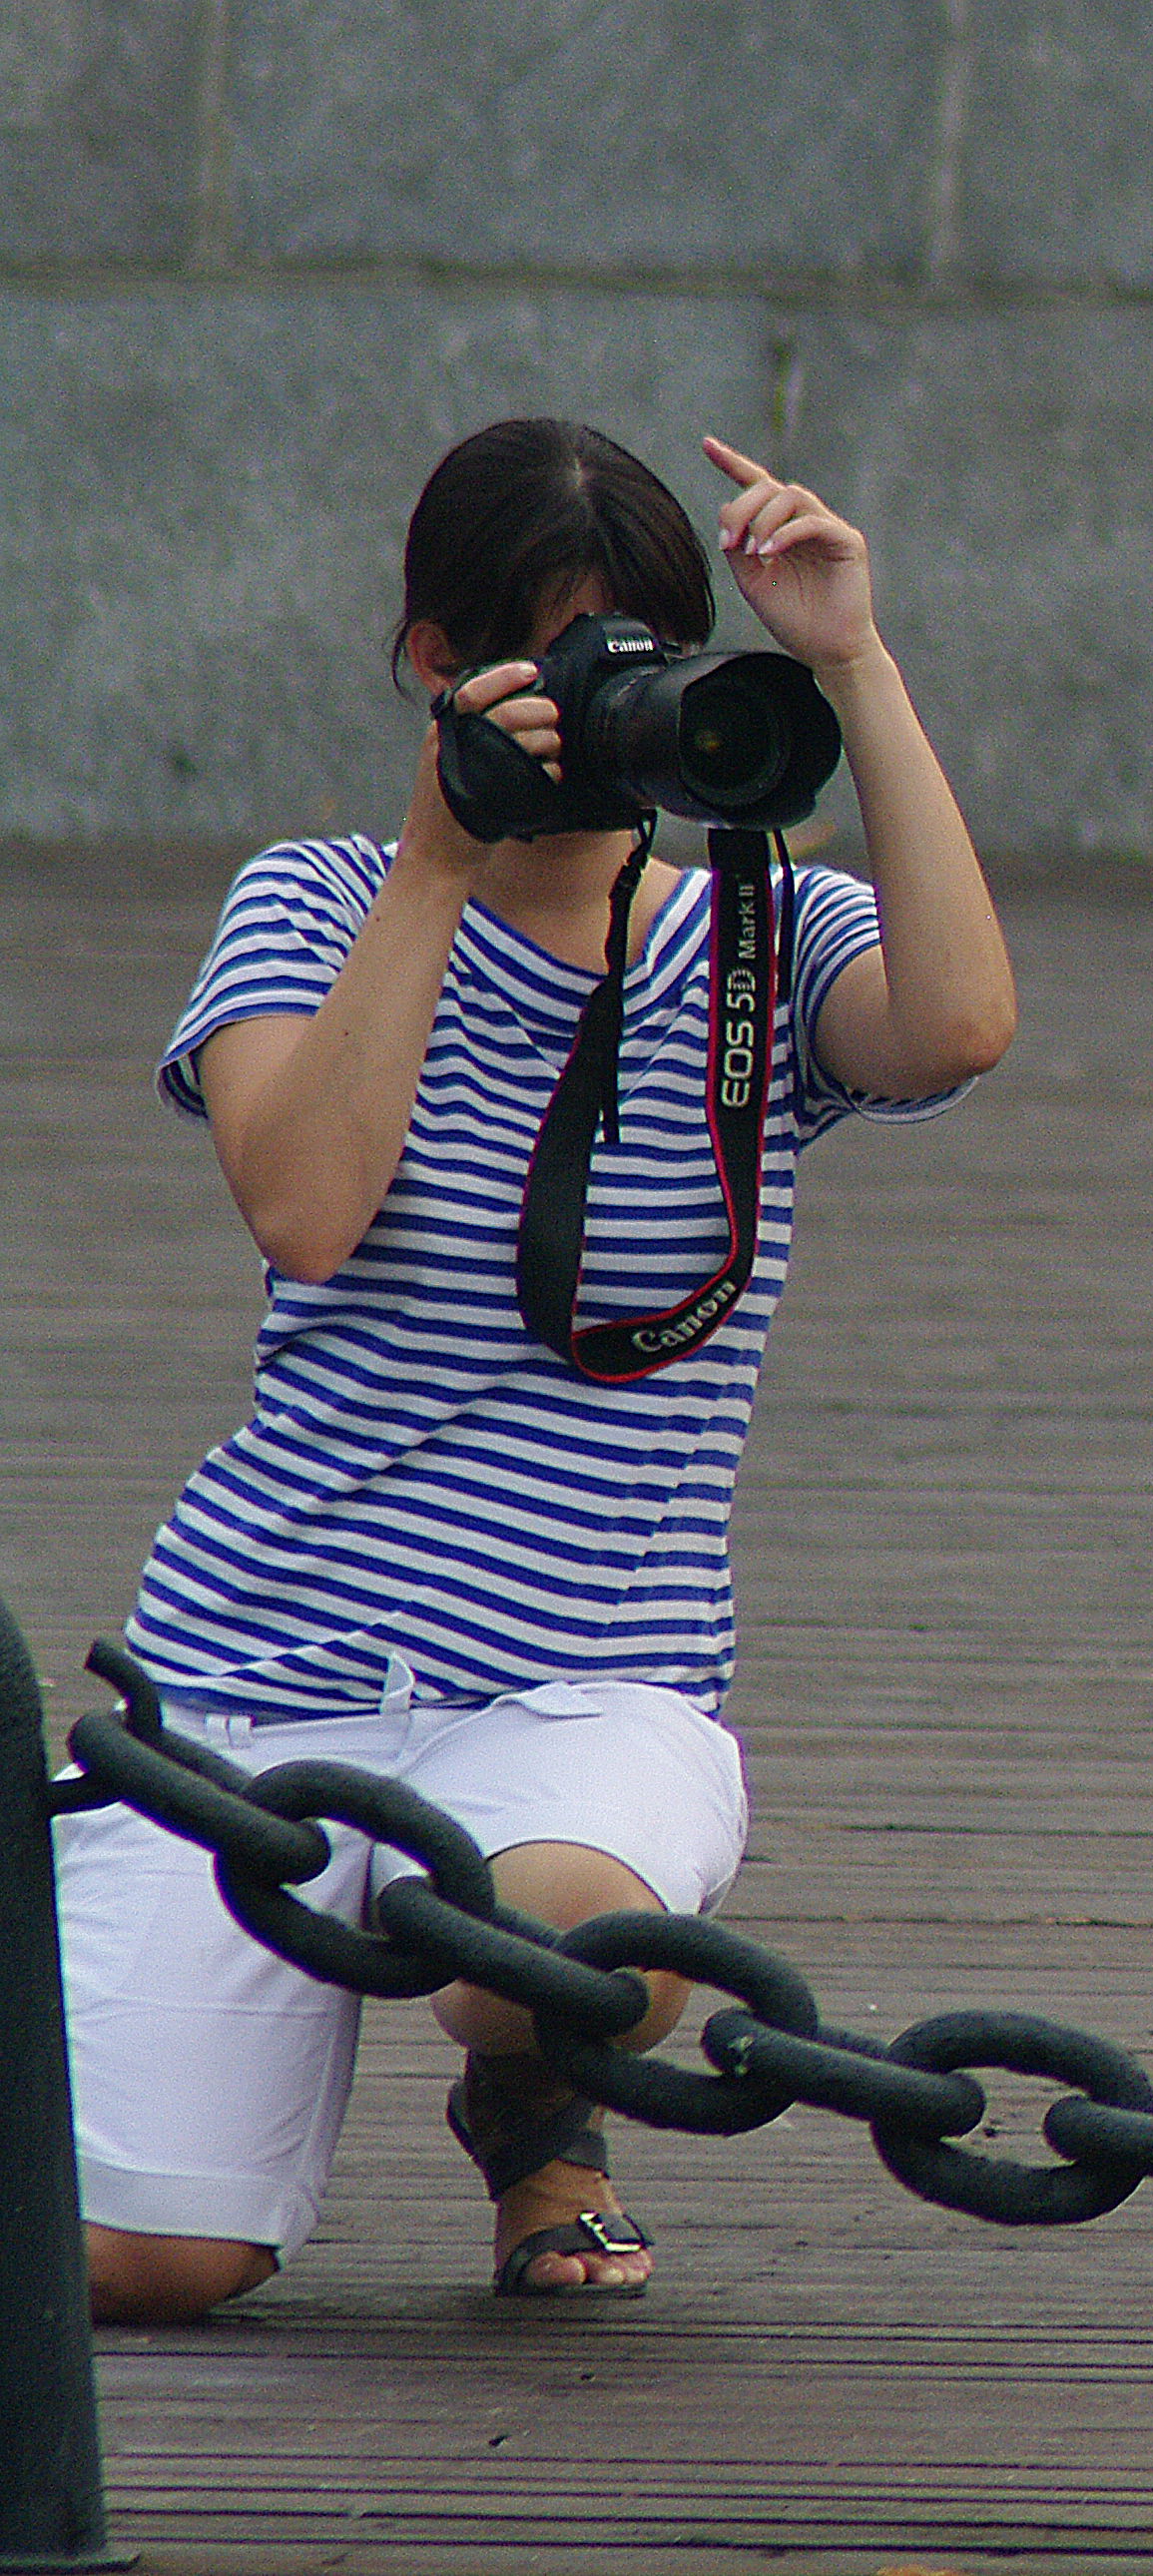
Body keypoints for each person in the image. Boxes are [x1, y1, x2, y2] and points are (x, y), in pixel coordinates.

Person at [57, 417, 1016, 2317]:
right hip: (259, 1677)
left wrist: (851, 660)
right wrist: (438, 855)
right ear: (432, 660)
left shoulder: (760, 938)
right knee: (155, 2263)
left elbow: (961, 1022)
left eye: (646, 663)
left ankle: (531, 2096)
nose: (610, 717)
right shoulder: (314, 901)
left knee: (543, 1942)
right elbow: (306, 1212)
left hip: (590, 1681)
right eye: (562, 664)